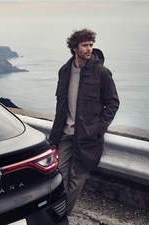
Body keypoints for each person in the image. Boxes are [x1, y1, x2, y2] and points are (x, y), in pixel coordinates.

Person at [49, 28, 120, 215]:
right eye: (85, 45)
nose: (89, 49)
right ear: (74, 47)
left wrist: (99, 128)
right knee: (59, 177)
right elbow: (61, 105)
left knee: (76, 179)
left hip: (87, 137)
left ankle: (61, 217)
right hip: (65, 133)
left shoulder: (101, 72)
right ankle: (58, 215)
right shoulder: (64, 71)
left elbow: (113, 103)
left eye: (91, 45)